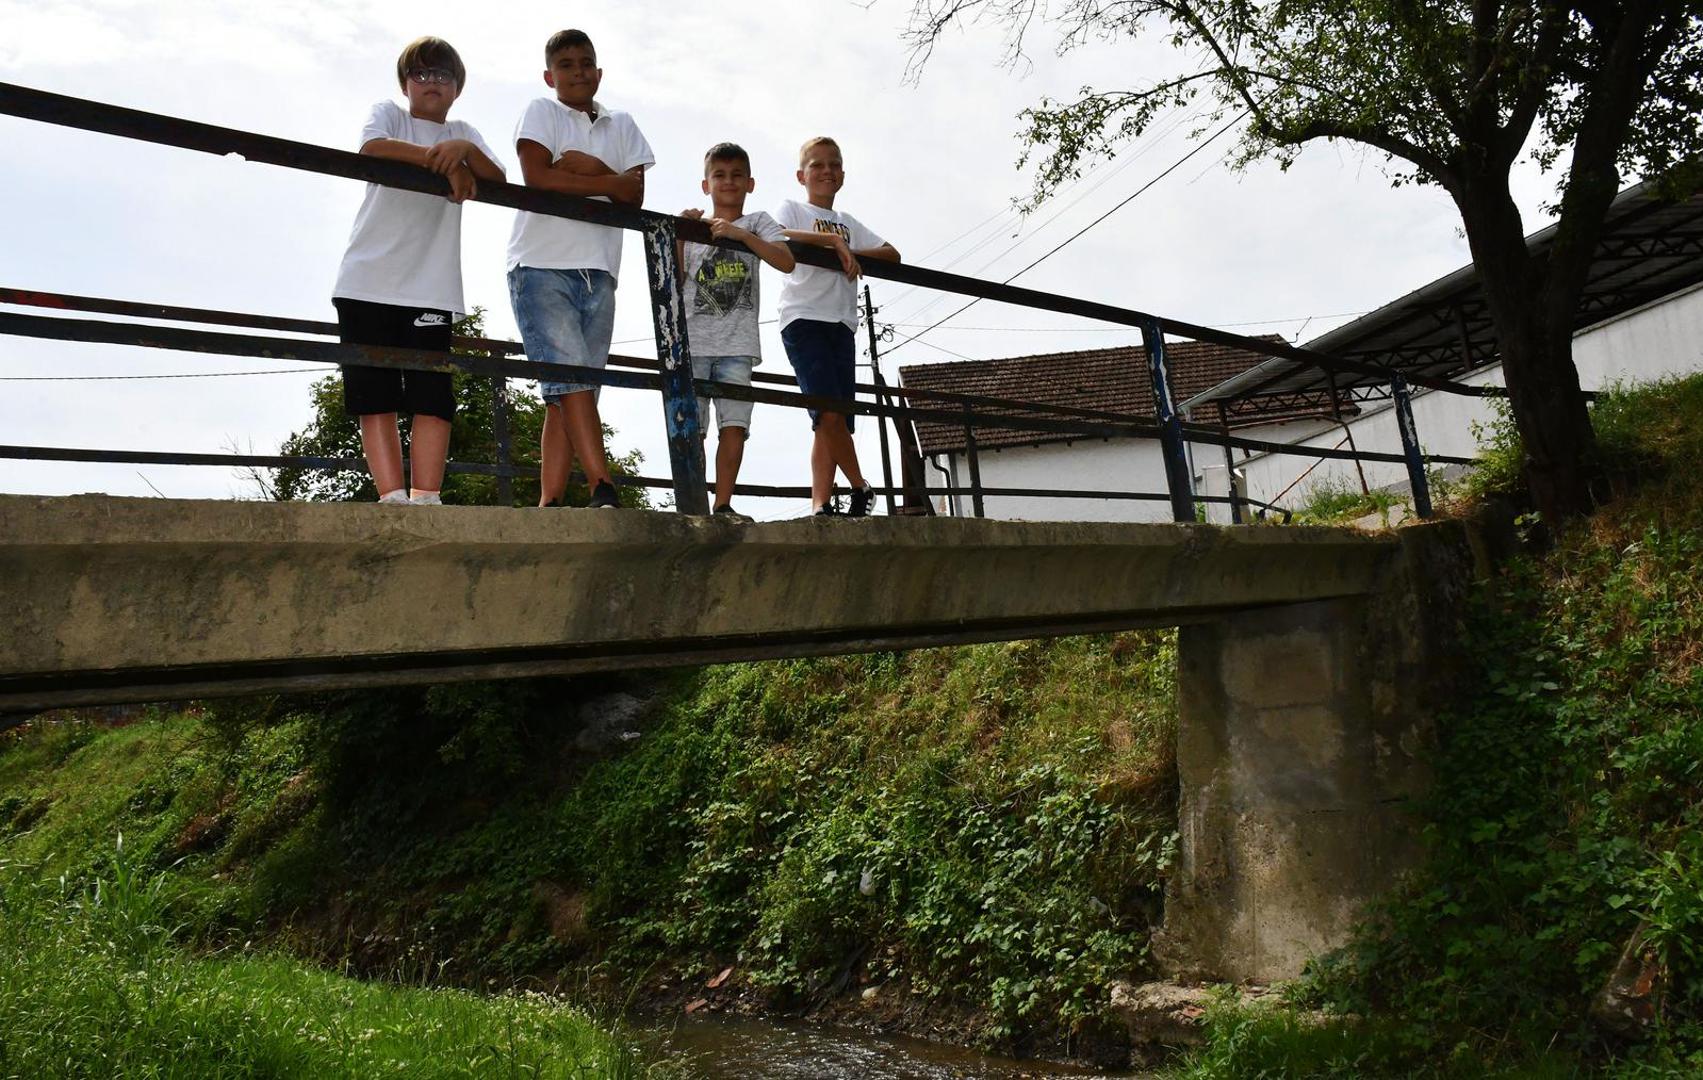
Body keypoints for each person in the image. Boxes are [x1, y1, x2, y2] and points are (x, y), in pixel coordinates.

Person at [331, 36, 504, 506]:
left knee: (433, 395)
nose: (432, 82)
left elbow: (498, 178)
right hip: (367, 281)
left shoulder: (463, 132)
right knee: (374, 394)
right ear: (405, 83)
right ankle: (392, 497)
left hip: (430, 287)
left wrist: (462, 150)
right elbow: (372, 148)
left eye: (443, 75)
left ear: (458, 87)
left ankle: (427, 497)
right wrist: (444, 163)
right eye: (421, 73)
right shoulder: (390, 115)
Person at [507, 28, 654, 509]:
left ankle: (549, 501)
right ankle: (602, 485)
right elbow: (537, 176)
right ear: (549, 76)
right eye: (566, 65)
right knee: (572, 380)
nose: (578, 72)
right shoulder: (541, 111)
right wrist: (609, 181)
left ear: (600, 71)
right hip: (542, 264)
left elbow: (634, 195)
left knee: (571, 392)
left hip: (600, 269)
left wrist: (588, 169)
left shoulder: (622, 123)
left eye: (586, 63)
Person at [775, 136, 901, 517]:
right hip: (803, 318)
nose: (826, 171)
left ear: (843, 175)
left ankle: (821, 503)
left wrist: (849, 249)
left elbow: (892, 254)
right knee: (827, 410)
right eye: (817, 164)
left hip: (842, 323)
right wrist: (831, 242)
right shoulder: (793, 208)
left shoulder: (848, 223)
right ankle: (861, 486)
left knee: (831, 420)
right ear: (801, 175)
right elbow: (777, 235)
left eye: (834, 165)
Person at [678, 143, 796, 521]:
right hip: (695, 343)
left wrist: (741, 236)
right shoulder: (694, 228)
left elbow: (786, 261)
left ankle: (723, 503)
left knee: (735, 424)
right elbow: (675, 278)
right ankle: (694, 504)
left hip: (737, 344)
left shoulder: (757, 222)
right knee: (692, 426)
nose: (728, 181)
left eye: (736, 175)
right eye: (719, 175)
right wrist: (680, 234)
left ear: (750, 183)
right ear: (706, 184)